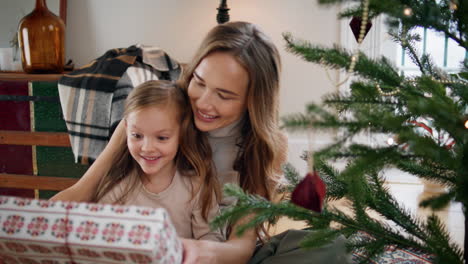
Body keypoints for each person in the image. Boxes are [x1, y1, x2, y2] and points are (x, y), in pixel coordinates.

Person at [51, 21, 349, 263]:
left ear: (252, 101)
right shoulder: (154, 120)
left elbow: (241, 246)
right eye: (199, 82)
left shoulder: (266, 147)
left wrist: (197, 252)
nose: (203, 103)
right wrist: (25, 227)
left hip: (217, 256)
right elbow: (83, 191)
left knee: (326, 244)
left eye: (224, 95)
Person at [93, 80, 222, 241]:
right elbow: (101, 236)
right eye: (137, 136)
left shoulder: (195, 186)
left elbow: (211, 237)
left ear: (182, 134)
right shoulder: (117, 185)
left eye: (161, 138)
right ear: (126, 129)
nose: (147, 148)